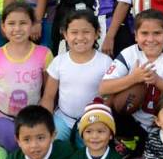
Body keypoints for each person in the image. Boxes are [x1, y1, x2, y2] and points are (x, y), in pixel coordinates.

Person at [99, 9, 163, 159]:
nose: (150, 39)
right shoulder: (129, 53)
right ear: (135, 35)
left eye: (157, 33)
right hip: (133, 120)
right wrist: (133, 78)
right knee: (109, 99)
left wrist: (158, 81)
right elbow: (103, 87)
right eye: (144, 33)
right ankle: (124, 142)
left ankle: (145, 153)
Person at [0, 2, 54, 152]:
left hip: (33, 118)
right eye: (11, 23)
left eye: (23, 23)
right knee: (6, 139)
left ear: (32, 24)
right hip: (2, 117)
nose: (17, 29)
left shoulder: (44, 54)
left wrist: (45, 120)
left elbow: (48, 94)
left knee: (32, 147)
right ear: (3, 26)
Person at [42, 10, 112, 146]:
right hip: (62, 119)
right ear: (65, 35)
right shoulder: (59, 61)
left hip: (93, 122)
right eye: (74, 32)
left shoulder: (105, 62)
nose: (80, 37)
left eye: (86, 32)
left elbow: (109, 98)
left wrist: (98, 121)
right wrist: (45, 122)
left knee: (89, 155)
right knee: (54, 149)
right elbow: (48, 97)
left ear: (97, 33)